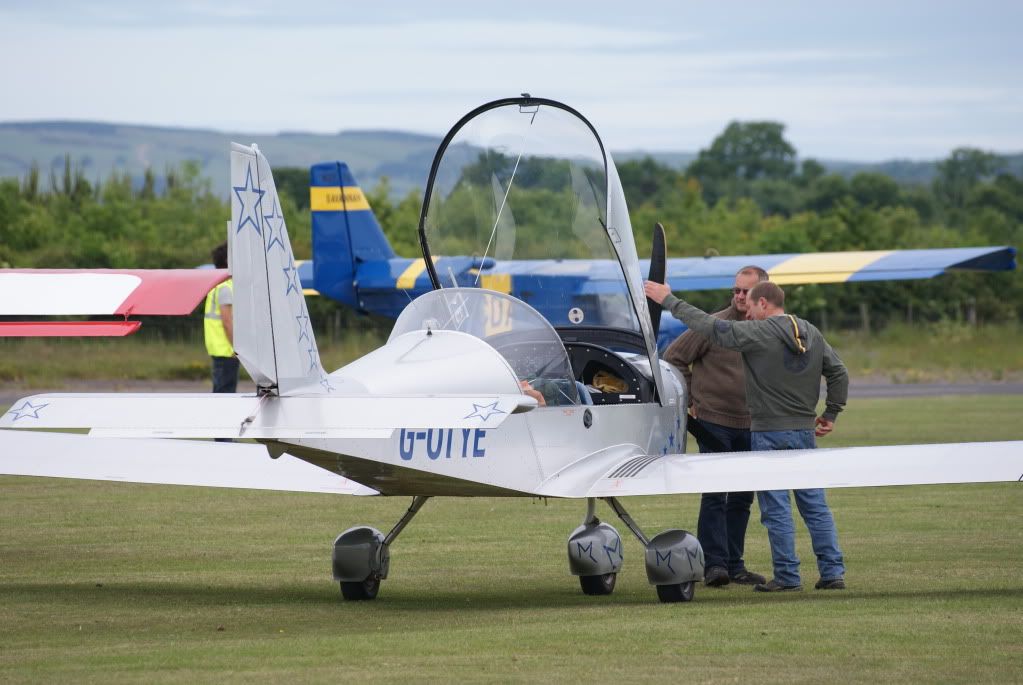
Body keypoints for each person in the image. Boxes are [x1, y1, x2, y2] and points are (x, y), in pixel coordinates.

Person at [645, 279, 849, 592]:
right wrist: (831, 413)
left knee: (776, 508)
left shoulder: (759, 332)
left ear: (764, 304)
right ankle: (832, 573)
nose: (748, 313)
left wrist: (670, 300)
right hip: (805, 432)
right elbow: (839, 372)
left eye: (751, 305)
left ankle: (787, 577)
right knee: (815, 506)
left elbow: (710, 327)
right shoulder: (810, 331)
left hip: (768, 433)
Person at [663, 266, 769, 588]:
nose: (739, 296)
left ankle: (735, 565)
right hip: (715, 422)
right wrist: (693, 393)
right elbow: (674, 357)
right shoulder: (713, 325)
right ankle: (714, 566)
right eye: (736, 290)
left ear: (762, 295)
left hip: (753, 424)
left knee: (741, 497)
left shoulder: (769, 329)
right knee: (715, 495)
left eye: (746, 292)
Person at [204, 242, 238, 395]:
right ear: (227, 261)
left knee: (221, 392)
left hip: (218, 347)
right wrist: (237, 347)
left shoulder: (217, 284)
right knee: (225, 394)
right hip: (226, 350)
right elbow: (227, 321)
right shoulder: (226, 287)